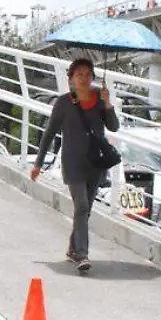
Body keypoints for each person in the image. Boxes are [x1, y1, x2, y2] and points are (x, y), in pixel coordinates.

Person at [30, 58, 119, 272]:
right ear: (70, 78)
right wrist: (38, 163)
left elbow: (114, 127)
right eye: (79, 74)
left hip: (96, 163)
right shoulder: (63, 103)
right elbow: (50, 133)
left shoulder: (99, 99)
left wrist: (108, 104)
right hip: (73, 163)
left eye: (88, 74)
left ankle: (72, 248)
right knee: (81, 207)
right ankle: (82, 255)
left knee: (85, 210)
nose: (84, 78)